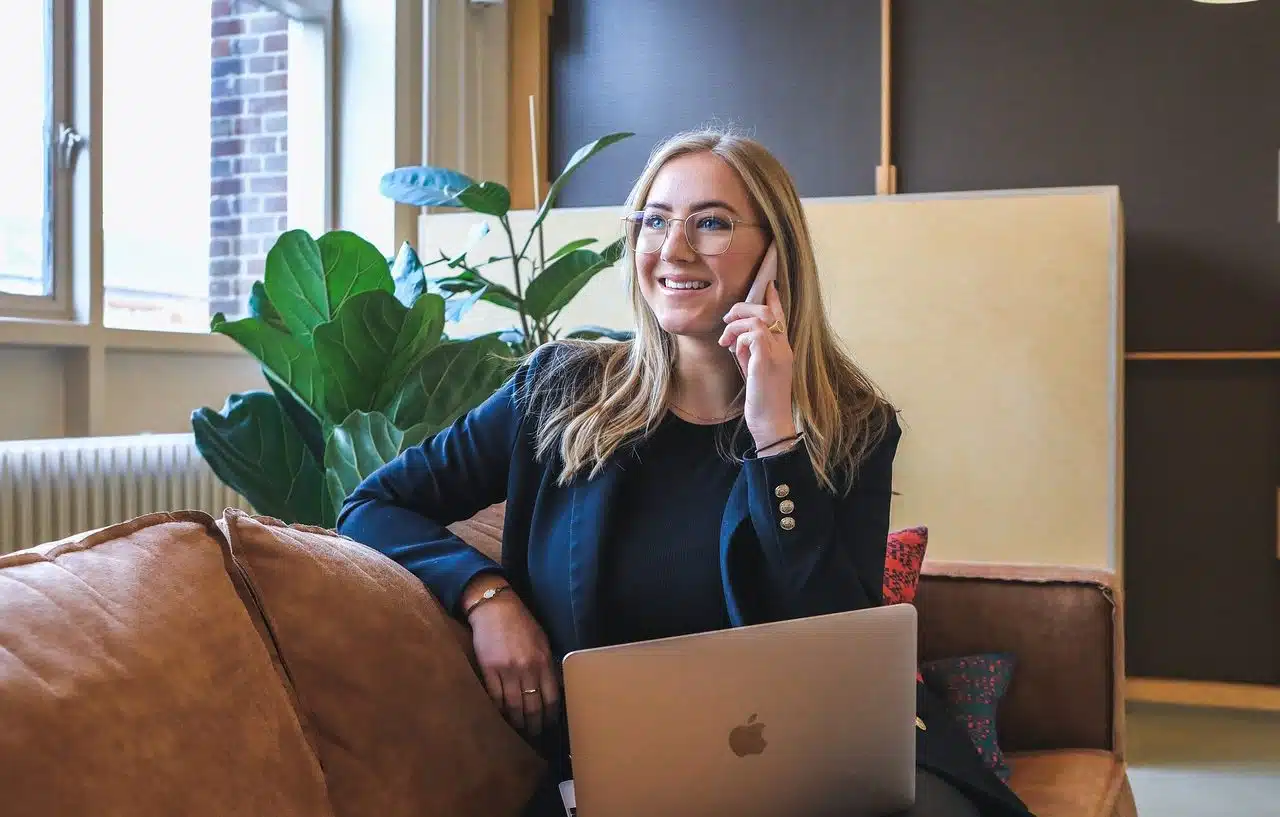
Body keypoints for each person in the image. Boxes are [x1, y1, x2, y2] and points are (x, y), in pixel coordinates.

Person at [337, 129, 1034, 817]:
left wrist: (775, 438)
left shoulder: (852, 426)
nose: (673, 248)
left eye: (710, 223)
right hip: (630, 775)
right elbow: (373, 503)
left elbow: (837, 644)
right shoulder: (558, 391)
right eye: (653, 220)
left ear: (775, 254)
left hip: (824, 764)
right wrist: (486, 594)